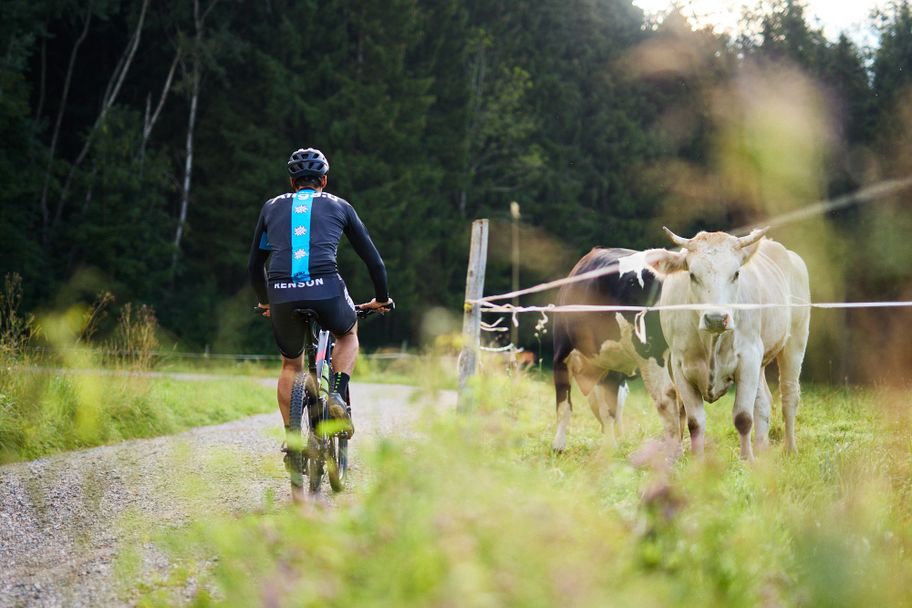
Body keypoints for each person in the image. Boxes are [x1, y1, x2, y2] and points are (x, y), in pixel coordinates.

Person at [248, 147, 392, 447]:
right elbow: (374, 261)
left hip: (281, 293)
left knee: (290, 365)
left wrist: (265, 302)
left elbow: (254, 265)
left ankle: (292, 438)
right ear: (324, 181)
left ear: (292, 182)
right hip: (327, 290)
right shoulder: (340, 205)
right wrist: (381, 299)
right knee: (348, 332)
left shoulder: (271, 207)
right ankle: (337, 392)